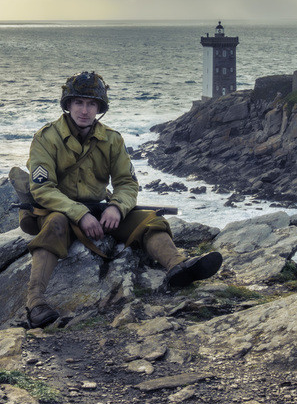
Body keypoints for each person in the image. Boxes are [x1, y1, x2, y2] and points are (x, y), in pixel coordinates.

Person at [20, 71, 223, 328]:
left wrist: (116, 207)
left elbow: (126, 183)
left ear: (99, 108)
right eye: (79, 103)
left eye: (91, 104)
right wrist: (79, 214)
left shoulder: (111, 139)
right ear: (68, 105)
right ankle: (35, 303)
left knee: (150, 221)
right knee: (55, 225)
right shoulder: (46, 138)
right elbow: (43, 189)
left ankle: (178, 267)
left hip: (100, 207)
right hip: (59, 209)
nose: (85, 110)